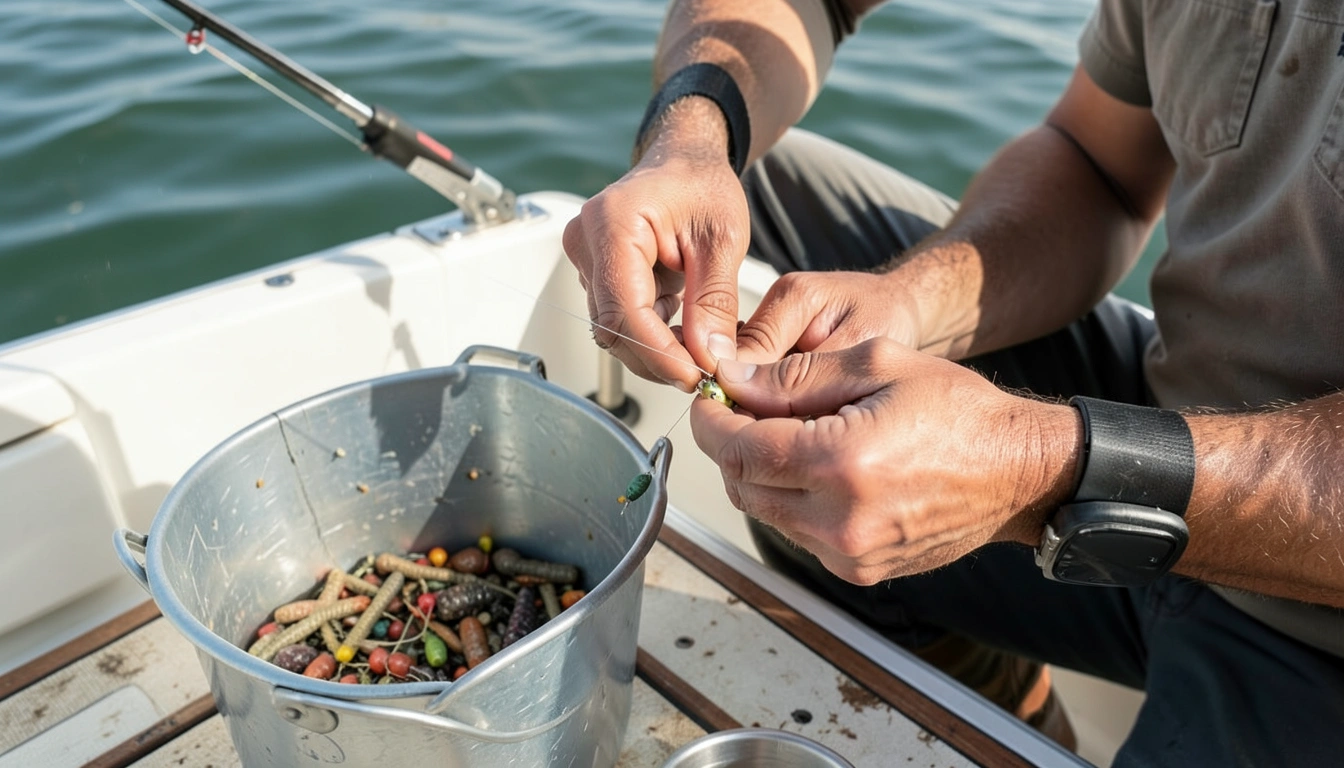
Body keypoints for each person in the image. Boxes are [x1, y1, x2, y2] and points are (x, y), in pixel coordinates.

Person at [563, 1, 1344, 763]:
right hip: (1168, 403)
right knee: (767, 186)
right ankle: (1025, 724)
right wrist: (696, 139)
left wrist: (1038, 474)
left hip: (1318, 629)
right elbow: (1099, 164)